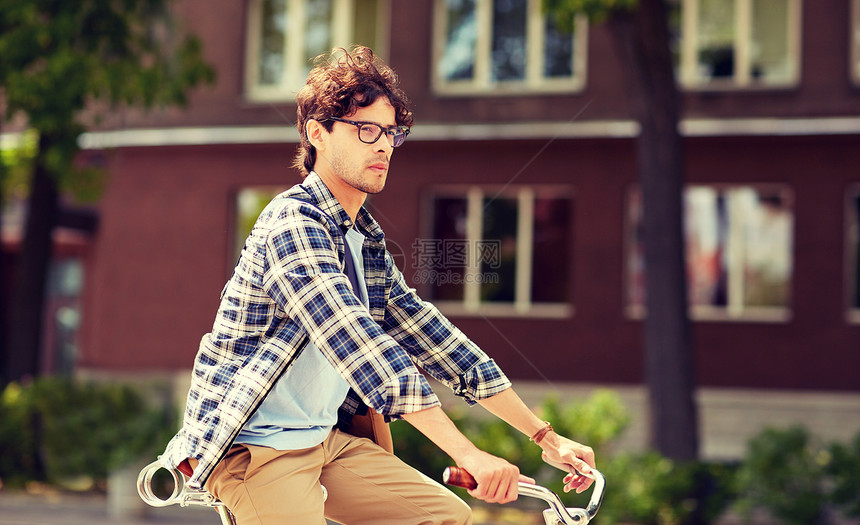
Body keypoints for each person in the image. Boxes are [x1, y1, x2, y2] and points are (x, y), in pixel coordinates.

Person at [159, 46, 596, 525]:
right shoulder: (292, 224)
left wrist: (545, 438)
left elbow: (434, 339)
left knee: (444, 517)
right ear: (317, 134)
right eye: (365, 129)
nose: (383, 145)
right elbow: (360, 347)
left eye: (391, 132)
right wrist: (468, 453)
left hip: (324, 440)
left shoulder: (363, 236)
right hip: (255, 448)